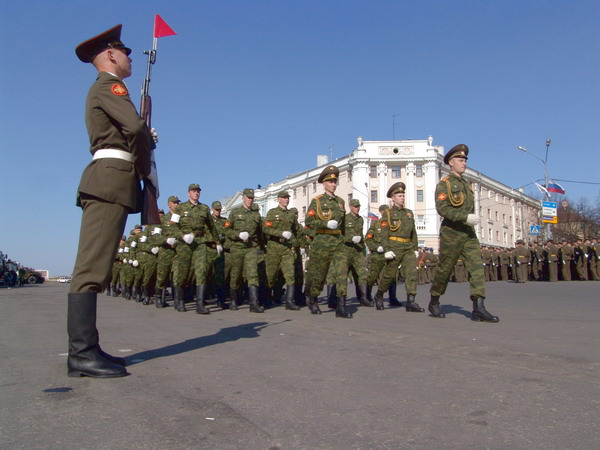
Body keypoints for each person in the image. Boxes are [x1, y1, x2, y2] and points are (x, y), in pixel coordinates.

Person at [69, 24, 157, 378]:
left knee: (98, 267)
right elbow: (134, 130)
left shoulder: (106, 89)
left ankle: (88, 348)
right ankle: (81, 353)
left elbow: (131, 129)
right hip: (109, 180)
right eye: (125, 53)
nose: (129, 59)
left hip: (110, 180)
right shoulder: (109, 85)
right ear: (109, 55)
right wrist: (144, 155)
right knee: (91, 269)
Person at [428, 144, 499, 322]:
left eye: (465, 160)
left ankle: (478, 307)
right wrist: (464, 217)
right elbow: (442, 209)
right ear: (451, 163)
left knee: (476, 268)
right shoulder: (445, 184)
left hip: (468, 234)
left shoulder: (467, 185)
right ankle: (434, 299)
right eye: (460, 160)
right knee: (445, 269)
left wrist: (469, 221)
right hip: (451, 233)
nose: (464, 163)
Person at [304, 165, 352, 318]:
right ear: (324, 184)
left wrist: (345, 239)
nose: (333, 184)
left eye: (335, 181)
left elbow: (343, 224)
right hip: (322, 241)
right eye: (330, 181)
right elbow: (309, 221)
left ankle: (341, 306)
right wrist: (325, 224)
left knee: (342, 273)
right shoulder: (317, 201)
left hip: (338, 241)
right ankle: (313, 299)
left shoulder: (341, 202)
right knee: (320, 273)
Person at [373, 182, 423, 312]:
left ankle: (411, 301)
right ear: (393, 198)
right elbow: (384, 233)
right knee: (389, 275)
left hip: (408, 248)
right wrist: (386, 249)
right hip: (394, 248)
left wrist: (415, 248)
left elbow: (414, 232)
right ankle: (379, 295)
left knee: (411, 273)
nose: (402, 198)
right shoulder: (388, 214)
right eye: (399, 195)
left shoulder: (409, 213)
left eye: (403, 195)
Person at [171, 184, 222, 314]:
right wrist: (182, 236)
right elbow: (173, 227)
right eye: (194, 191)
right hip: (185, 244)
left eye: (198, 191)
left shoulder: (204, 208)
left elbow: (211, 227)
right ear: (188, 193)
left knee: (201, 271)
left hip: (200, 242)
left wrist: (217, 242)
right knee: (183, 272)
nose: (196, 193)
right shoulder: (181, 208)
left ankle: (200, 304)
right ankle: (180, 300)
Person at [224, 188, 265, 313]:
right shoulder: (234, 213)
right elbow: (226, 230)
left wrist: (263, 248)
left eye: (252, 198)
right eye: (248, 198)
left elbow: (260, 233)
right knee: (236, 274)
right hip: (237, 247)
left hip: (251, 247)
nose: (250, 200)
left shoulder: (256, 215)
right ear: (243, 198)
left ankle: (254, 303)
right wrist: (238, 235)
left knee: (253, 274)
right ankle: (233, 299)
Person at [263, 190, 301, 310]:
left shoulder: (290, 214)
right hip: (274, 247)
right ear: (278, 199)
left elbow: (295, 231)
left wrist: (298, 245)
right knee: (271, 275)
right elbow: (266, 229)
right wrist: (280, 233)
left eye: (287, 198)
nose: (286, 200)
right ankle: (267, 299)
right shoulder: (272, 213)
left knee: (290, 274)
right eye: (284, 198)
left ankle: (289, 301)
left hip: (287, 248)